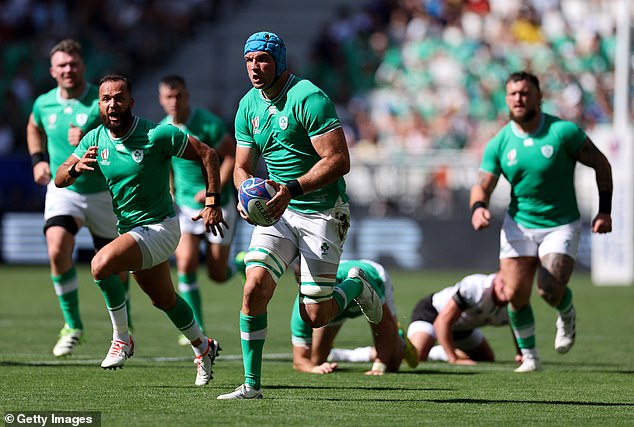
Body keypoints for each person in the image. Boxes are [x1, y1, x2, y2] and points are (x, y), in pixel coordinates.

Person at [217, 31, 383, 400]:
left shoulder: (308, 97)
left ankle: (356, 285)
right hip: (278, 212)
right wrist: (245, 196)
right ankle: (251, 385)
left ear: (279, 61)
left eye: (262, 59)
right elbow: (241, 166)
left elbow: (340, 160)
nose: (254, 67)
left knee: (316, 316)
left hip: (322, 211)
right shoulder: (248, 105)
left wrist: (289, 189)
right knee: (253, 289)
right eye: (248, 60)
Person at [54, 73, 225, 386]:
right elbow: (59, 178)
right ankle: (203, 347)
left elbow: (208, 154)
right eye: (106, 99)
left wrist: (213, 200)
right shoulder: (94, 139)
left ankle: (122, 339)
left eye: (119, 98)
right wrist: (75, 168)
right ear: (100, 105)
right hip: (130, 229)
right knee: (164, 300)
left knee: (101, 265)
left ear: (131, 102)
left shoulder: (156, 134)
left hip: (161, 228)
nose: (113, 104)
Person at [469, 71, 613, 372]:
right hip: (518, 225)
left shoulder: (563, 132)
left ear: (538, 96)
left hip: (560, 223)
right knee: (515, 295)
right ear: (506, 100)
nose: (518, 99)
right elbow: (482, 184)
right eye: (513, 94)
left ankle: (567, 310)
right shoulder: (500, 142)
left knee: (548, 289)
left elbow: (601, 164)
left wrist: (604, 211)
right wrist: (479, 207)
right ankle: (530, 356)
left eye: (524, 93)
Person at [26, 39, 132, 357]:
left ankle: (123, 327)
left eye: (73, 64)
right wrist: (38, 160)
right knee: (57, 247)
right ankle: (72, 325)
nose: (68, 69)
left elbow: (122, 125)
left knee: (115, 267)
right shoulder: (44, 103)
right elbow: (33, 126)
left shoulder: (99, 100)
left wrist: (92, 130)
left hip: (104, 194)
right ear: (52, 71)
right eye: (62, 65)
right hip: (66, 190)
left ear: (83, 67)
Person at [158, 75, 237, 346]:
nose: (174, 101)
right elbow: (165, 166)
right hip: (185, 208)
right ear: (161, 99)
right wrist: (167, 190)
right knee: (186, 262)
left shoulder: (208, 123)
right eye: (168, 96)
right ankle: (195, 327)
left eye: (178, 95)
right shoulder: (162, 129)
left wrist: (213, 191)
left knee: (216, 274)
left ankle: (236, 266)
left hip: (218, 204)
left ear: (187, 95)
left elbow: (231, 156)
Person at [291, 259, 419, 375]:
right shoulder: (303, 306)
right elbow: (299, 360)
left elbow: (384, 324)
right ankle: (350, 354)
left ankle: (399, 338)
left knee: (392, 363)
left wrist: (378, 367)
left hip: (372, 280)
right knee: (317, 361)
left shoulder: (360, 279)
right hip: (336, 304)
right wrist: (315, 369)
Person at [405, 272, 521, 365]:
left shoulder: (516, 300)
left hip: (463, 327)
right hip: (433, 314)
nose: (505, 287)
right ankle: (396, 342)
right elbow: (442, 322)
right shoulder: (476, 286)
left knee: (485, 358)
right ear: (497, 276)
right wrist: (453, 359)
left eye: (511, 283)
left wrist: (521, 353)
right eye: (503, 281)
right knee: (417, 356)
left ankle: (437, 352)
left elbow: (517, 325)